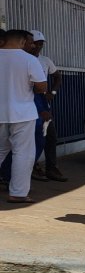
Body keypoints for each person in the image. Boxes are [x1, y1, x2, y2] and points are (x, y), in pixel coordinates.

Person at [0, 29, 47, 203]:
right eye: (30, 42)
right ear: (21, 41)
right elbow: (42, 87)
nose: (33, 45)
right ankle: (18, 192)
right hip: (23, 113)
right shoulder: (29, 60)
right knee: (23, 153)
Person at [30, 30, 65, 181]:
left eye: (41, 44)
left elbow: (57, 77)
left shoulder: (45, 60)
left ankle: (51, 168)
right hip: (28, 103)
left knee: (50, 136)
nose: (38, 46)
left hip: (42, 103)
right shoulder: (24, 59)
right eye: (36, 43)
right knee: (30, 138)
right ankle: (32, 167)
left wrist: (53, 92)